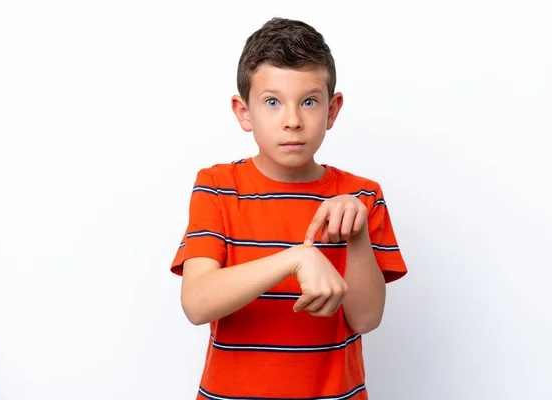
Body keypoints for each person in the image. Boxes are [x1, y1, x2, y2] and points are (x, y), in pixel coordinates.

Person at [170, 17, 407, 400]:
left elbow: (366, 318)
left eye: (309, 102)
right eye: (273, 102)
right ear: (244, 111)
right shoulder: (217, 186)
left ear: (332, 110)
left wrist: (357, 234)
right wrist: (294, 259)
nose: (293, 121)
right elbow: (197, 304)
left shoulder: (362, 196)